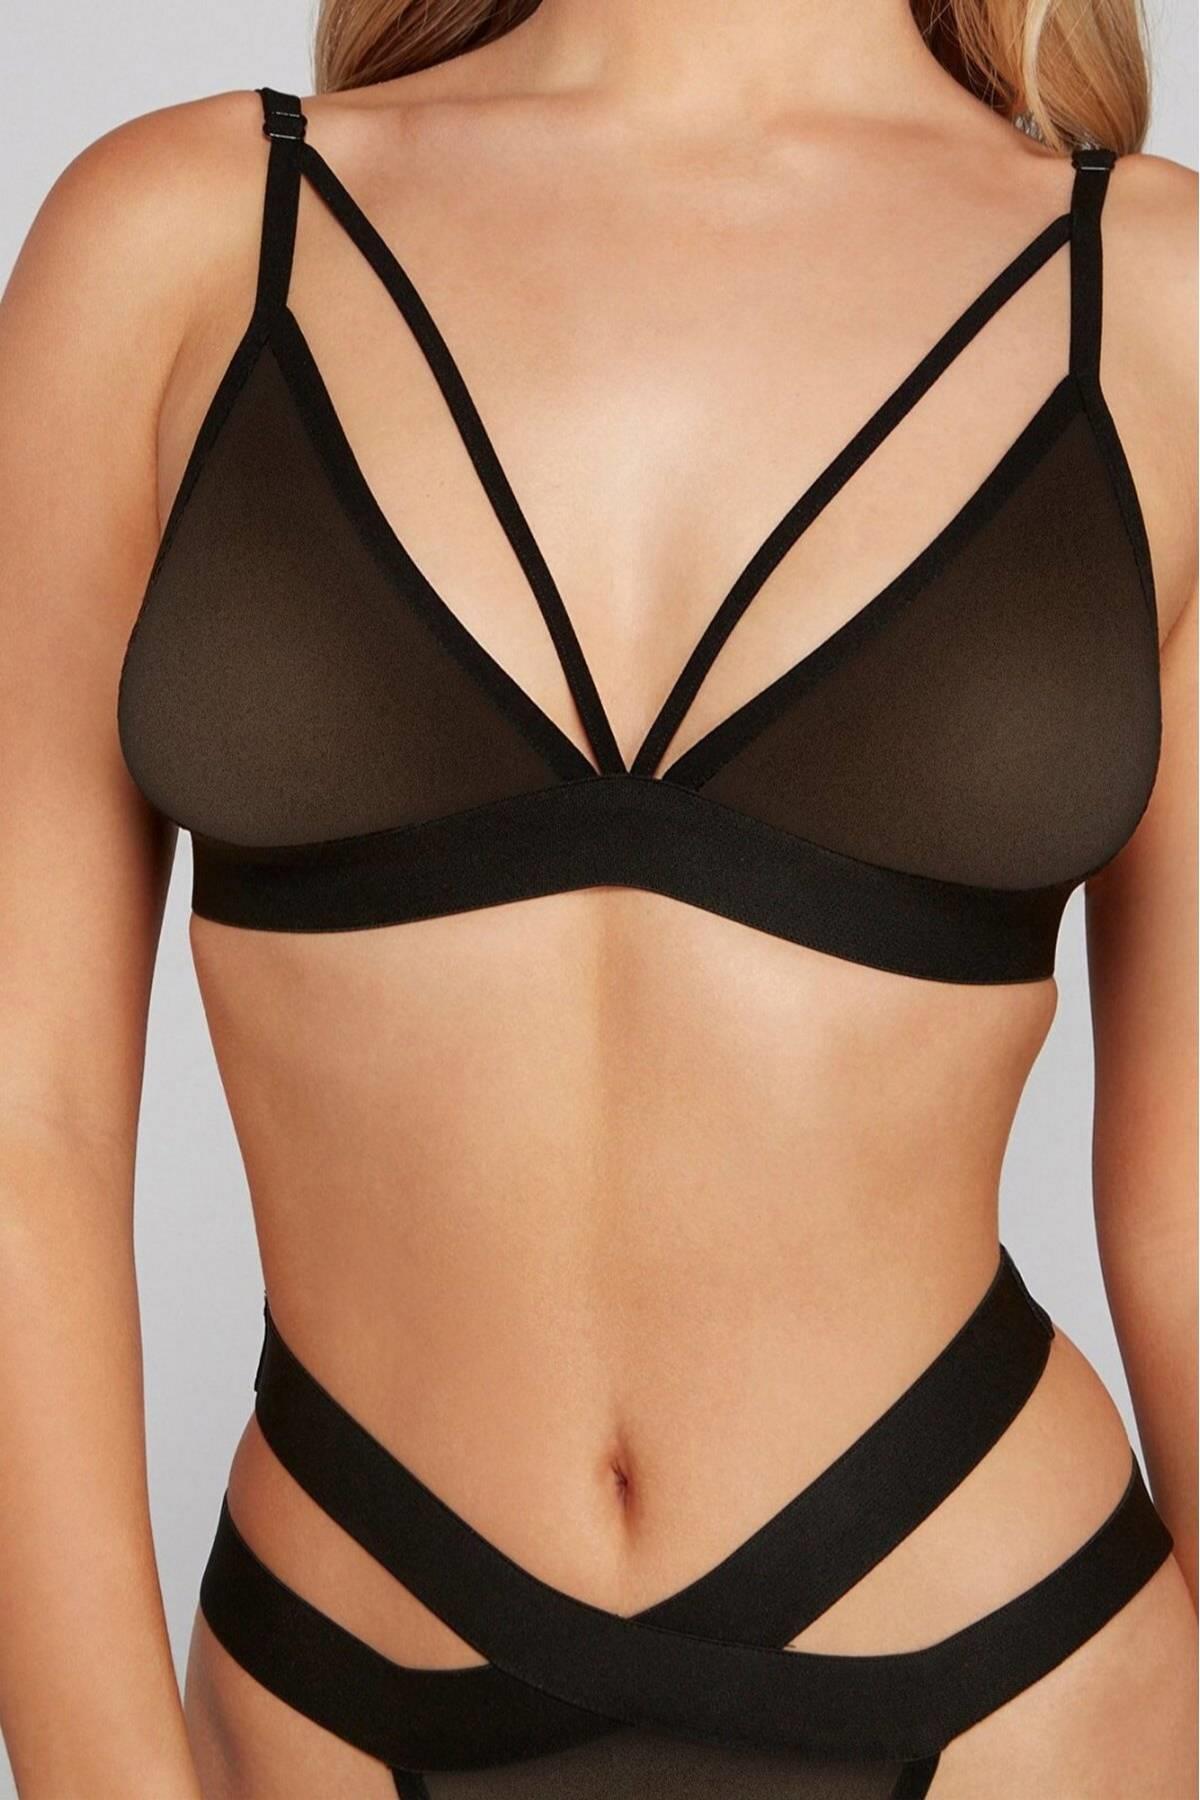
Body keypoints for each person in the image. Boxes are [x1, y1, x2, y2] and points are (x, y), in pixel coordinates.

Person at [0, 2, 1196, 1795]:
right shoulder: (183, 247)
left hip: (1017, 1691)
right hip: (337, 1696)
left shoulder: (1158, 299)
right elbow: (28, 1126)